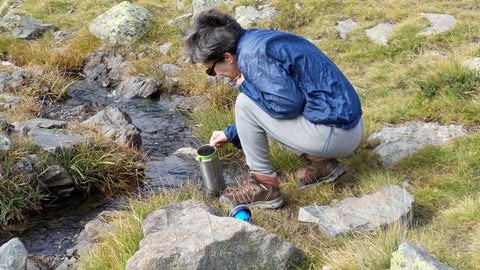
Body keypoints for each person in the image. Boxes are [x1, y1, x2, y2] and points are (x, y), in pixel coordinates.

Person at [184, 9, 363, 209]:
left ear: (227, 57)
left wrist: (245, 86)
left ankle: (263, 187)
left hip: (335, 133)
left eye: (211, 69)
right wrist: (231, 133)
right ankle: (324, 165)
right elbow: (279, 103)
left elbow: (287, 107)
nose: (215, 73)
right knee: (253, 101)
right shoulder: (254, 41)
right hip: (346, 127)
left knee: (244, 103)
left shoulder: (252, 57)